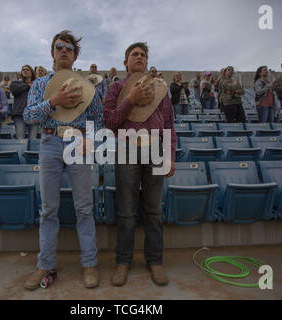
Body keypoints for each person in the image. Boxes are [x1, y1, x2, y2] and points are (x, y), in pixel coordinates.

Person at [23, 30, 103, 290]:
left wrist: (91, 139)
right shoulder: (39, 84)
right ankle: (45, 265)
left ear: (75, 55)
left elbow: (98, 116)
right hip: (50, 142)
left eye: (69, 47)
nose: (64, 50)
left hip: (78, 143)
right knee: (48, 209)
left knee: (84, 207)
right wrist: (53, 101)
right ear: (52, 52)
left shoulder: (86, 85)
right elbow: (28, 116)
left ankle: (90, 264)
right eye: (60, 46)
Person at [104, 42, 177, 287]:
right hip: (126, 147)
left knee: (154, 210)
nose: (139, 58)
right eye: (134, 54)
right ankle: (123, 263)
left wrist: (170, 156)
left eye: (143, 55)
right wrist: (131, 99)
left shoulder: (160, 90)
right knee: (127, 212)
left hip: (156, 148)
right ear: (125, 62)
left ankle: (155, 261)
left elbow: (169, 125)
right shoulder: (116, 87)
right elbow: (110, 122)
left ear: (147, 62)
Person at [9, 65, 38, 139]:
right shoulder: (15, 83)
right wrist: (27, 85)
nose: (25, 71)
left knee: (33, 139)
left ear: (32, 73)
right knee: (20, 139)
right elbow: (14, 91)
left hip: (34, 115)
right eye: (23, 70)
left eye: (27, 70)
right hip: (19, 114)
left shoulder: (37, 84)